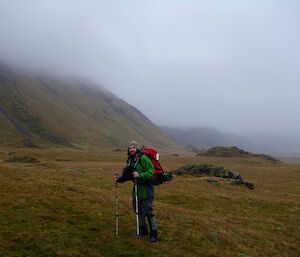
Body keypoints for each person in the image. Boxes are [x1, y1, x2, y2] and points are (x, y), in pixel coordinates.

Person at [115, 141, 158, 242]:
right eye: (130, 148)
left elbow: (151, 172)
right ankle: (143, 230)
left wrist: (140, 175)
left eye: (133, 147)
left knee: (147, 211)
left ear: (137, 148)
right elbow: (128, 175)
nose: (131, 149)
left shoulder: (143, 158)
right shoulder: (130, 160)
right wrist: (119, 179)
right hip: (136, 189)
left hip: (146, 189)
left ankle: (154, 234)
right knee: (137, 209)